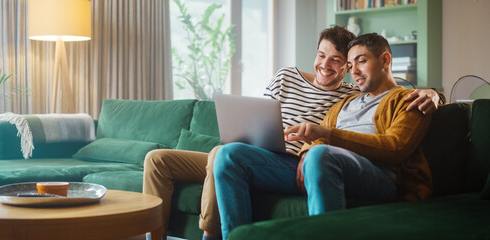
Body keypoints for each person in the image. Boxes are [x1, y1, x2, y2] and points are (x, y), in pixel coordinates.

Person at [143, 26, 441, 240]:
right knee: (229, 155)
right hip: (308, 161)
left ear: (385, 60)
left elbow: (395, 147)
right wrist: (313, 148)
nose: (353, 70)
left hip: (377, 176)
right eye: (352, 64)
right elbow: (324, 139)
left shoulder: (407, 100)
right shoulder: (346, 102)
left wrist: (435, 94)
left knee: (321, 154)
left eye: (357, 61)